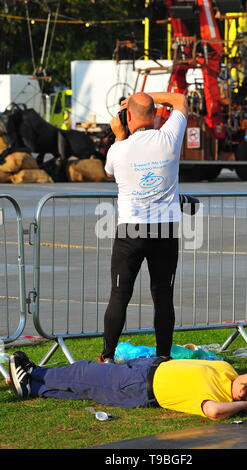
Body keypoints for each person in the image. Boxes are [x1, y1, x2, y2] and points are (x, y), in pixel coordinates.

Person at [100, 91, 188, 362]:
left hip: (131, 230)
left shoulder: (119, 149)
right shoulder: (168, 138)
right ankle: (163, 357)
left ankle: (107, 355)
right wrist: (148, 98)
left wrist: (118, 134)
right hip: (165, 229)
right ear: (155, 114)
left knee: (120, 294)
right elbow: (181, 100)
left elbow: (109, 171)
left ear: (127, 117)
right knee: (163, 295)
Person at [8, 351, 247, 421]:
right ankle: (32, 387)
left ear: (243, 392)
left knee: (84, 373)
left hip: (137, 386)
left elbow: (213, 412)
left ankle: (35, 374)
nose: (246, 372)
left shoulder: (218, 397)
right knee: (84, 384)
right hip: (149, 366)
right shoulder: (229, 375)